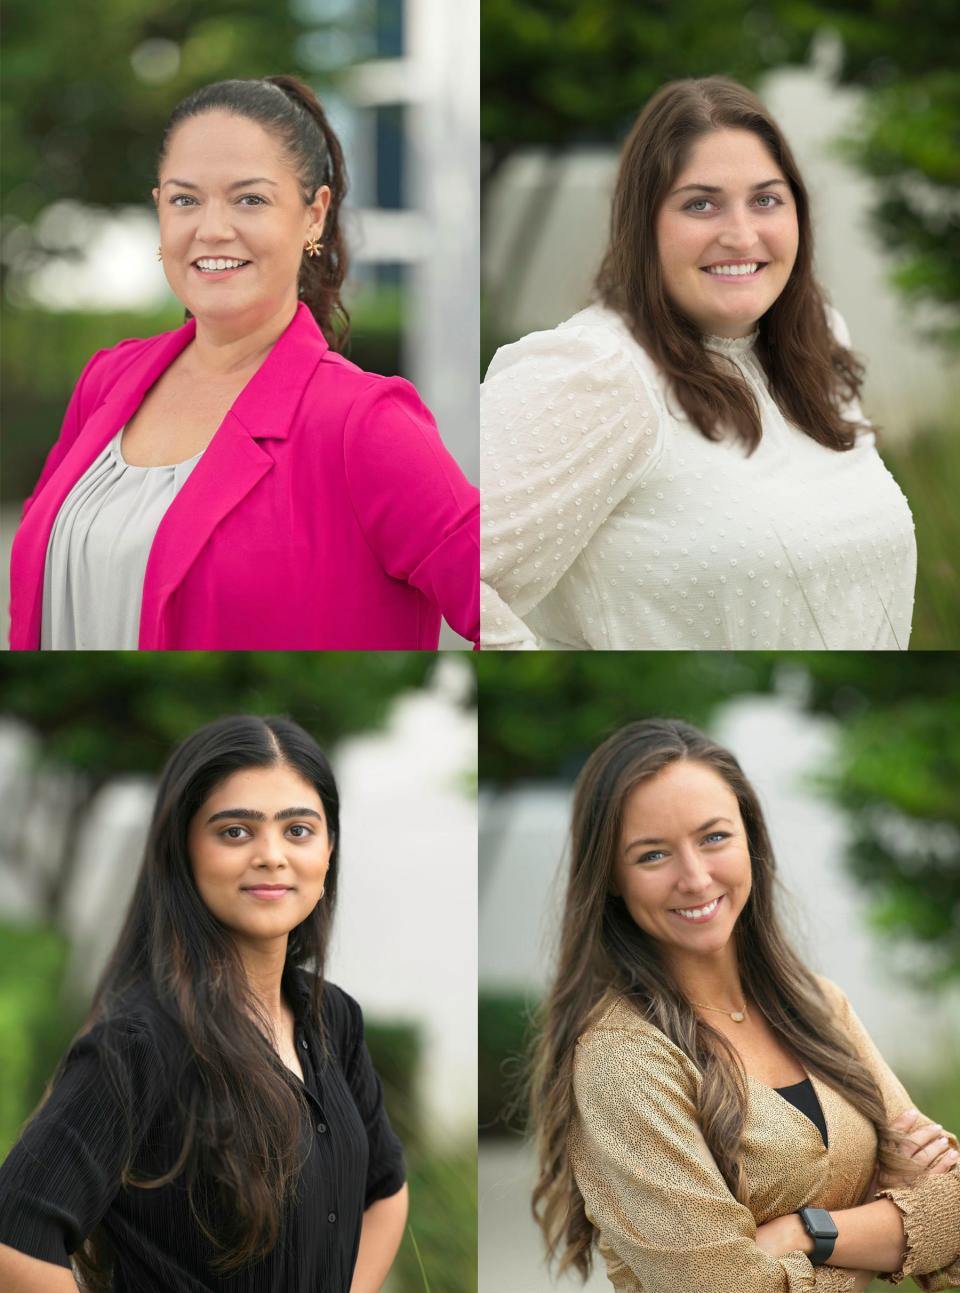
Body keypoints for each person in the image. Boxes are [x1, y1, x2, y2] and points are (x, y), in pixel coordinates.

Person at [9, 75, 479, 650]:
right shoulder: (107, 380)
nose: (211, 229)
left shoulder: (365, 423)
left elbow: (503, 612)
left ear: (314, 215)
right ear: (159, 209)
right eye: (185, 200)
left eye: (250, 199)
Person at [481, 78, 916, 651]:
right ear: (644, 224)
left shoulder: (817, 336)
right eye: (700, 204)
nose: (741, 235)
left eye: (765, 199)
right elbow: (448, 572)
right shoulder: (594, 373)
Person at [528, 718, 960, 1291]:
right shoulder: (620, 1063)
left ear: (750, 839)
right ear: (610, 879)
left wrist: (805, 1233)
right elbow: (725, 1287)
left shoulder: (818, 1004)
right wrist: (885, 1234)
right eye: (653, 855)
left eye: (714, 837)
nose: (696, 877)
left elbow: (952, 1205)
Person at [0, 715, 408, 1293]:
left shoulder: (333, 1019)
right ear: (183, 849)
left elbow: (385, 1190)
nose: (272, 855)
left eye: (298, 830)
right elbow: (13, 1242)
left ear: (329, 850)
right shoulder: (141, 1042)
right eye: (235, 832)